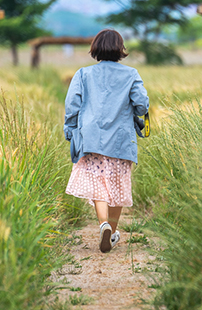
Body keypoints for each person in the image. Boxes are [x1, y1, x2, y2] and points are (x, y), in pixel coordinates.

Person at [64, 29, 149, 253]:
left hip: (91, 138)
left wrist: (70, 130)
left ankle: (103, 225)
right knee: (118, 183)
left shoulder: (83, 74)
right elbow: (141, 105)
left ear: (95, 48)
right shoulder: (131, 74)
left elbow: (72, 105)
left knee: (97, 184)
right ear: (120, 49)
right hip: (121, 140)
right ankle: (111, 229)